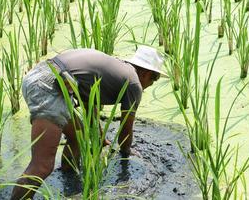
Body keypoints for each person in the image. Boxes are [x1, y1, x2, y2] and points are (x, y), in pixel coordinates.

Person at [10, 46, 167, 200]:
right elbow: (125, 132)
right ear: (147, 73)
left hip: (42, 75)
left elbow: (89, 103)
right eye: (155, 79)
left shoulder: (116, 69)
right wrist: (126, 152)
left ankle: (69, 175)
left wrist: (100, 138)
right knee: (42, 166)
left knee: (80, 135)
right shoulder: (133, 84)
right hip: (49, 86)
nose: (150, 84)